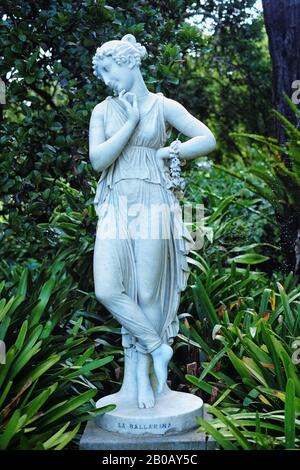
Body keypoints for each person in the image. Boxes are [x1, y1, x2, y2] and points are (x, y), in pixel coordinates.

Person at [89, 34, 216, 409]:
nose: (108, 80)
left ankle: (143, 383)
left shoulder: (163, 106)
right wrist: (130, 122)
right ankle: (158, 347)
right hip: (116, 203)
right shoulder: (103, 111)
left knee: (146, 293)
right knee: (108, 288)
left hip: (154, 204)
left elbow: (206, 139)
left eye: (110, 70)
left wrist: (166, 150)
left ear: (129, 63)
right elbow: (99, 161)